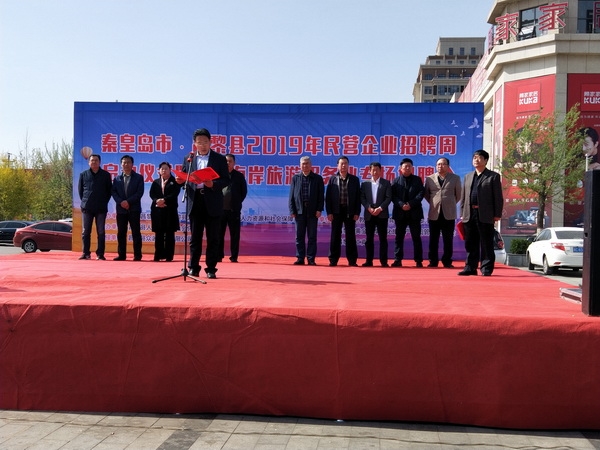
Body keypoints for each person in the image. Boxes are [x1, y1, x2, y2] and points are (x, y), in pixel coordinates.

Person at [176, 128, 229, 279]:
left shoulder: (219, 159)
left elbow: (226, 180)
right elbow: (185, 177)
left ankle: (211, 268)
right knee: (195, 238)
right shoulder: (189, 158)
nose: (203, 145)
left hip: (212, 201)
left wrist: (213, 184)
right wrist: (180, 181)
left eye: (205, 142)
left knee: (213, 237)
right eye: (199, 142)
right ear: (194, 144)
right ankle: (193, 267)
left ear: (210, 142)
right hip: (195, 201)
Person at [458, 149, 503, 276]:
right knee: (470, 243)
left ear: (485, 160)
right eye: (474, 158)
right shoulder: (468, 177)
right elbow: (463, 197)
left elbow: (498, 197)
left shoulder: (493, 176)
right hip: (469, 213)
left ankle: (486, 268)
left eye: (479, 158)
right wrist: (462, 212)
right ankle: (470, 267)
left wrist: (497, 214)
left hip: (485, 214)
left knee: (486, 243)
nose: (476, 160)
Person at [424, 157, 461, 268]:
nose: (440, 166)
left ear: (448, 166)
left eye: (443, 164)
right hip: (434, 213)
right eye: (438, 164)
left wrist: (449, 203)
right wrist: (435, 202)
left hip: (448, 213)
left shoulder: (455, 178)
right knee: (433, 239)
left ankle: (447, 261)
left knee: (448, 239)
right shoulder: (429, 179)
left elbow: (458, 195)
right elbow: (427, 195)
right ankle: (433, 261)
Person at [325, 156, 361, 267]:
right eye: (341, 163)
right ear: (338, 166)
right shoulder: (332, 179)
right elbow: (328, 197)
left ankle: (352, 260)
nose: (343, 165)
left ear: (348, 165)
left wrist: (357, 212)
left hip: (350, 211)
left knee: (350, 236)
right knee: (335, 235)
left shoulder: (354, 179)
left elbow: (358, 197)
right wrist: (329, 212)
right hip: (336, 211)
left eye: (345, 163)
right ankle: (333, 259)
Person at [288, 156, 324, 265]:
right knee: (299, 236)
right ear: (300, 165)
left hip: (312, 211)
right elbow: (291, 196)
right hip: (299, 211)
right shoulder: (296, 178)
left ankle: (311, 259)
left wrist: (319, 209)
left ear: (311, 165)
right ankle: (300, 258)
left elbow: (321, 196)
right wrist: (292, 210)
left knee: (312, 236)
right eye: (303, 163)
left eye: (307, 163)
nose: (305, 165)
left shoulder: (317, 178)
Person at [78, 154, 113, 260]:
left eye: (96, 160)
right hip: (87, 207)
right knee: (86, 231)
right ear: (89, 162)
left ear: (99, 162)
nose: (94, 162)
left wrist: (103, 202)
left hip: (101, 208)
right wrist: (85, 201)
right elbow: (81, 191)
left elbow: (109, 191)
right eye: (92, 160)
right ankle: (86, 253)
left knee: (101, 231)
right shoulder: (83, 174)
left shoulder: (106, 175)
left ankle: (100, 254)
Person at [391, 158, 424, 267]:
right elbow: (393, 196)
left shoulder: (417, 180)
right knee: (399, 237)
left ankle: (418, 260)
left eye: (409, 166)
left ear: (412, 168)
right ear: (400, 168)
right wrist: (401, 204)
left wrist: (410, 204)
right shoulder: (395, 181)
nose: (407, 168)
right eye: (405, 166)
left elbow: (421, 194)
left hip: (414, 213)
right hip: (400, 213)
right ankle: (397, 259)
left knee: (416, 237)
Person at [111, 155, 145, 261]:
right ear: (121, 164)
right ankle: (121, 255)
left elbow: (139, 193)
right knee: (121, 233)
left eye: (128, 162)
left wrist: (128, 201)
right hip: (121, 209)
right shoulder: (117, 179)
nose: (126, 164)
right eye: (124, 162)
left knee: (136, 232)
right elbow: (114, 192)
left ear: (132, 164)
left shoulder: (138, 178)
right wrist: (121, 202)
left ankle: (137, 255)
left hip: (134, 209)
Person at [360, 162, 392, 267]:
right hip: (369, 214)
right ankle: (369, 261)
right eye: (373, 170)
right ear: (370, 171)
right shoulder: (365, 184)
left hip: (382, 214)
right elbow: (362, 198)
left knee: (383, 238)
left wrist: (380, 208)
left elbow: (388, 198)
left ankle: (384, 261)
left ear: (380, 170)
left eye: (377, 169)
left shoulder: (386, 183)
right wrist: (368, 207)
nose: (375, 172)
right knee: (369, 238)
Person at [149, 162, 181, 262]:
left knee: (169, 234)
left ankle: (169, 256)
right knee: (158, 234)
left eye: (166, 168)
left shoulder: (174, 181)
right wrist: (157, 201)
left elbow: (174, 194)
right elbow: (152, 194)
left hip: (170, 211)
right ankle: (158, 255)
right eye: (162, 169)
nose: (164, 170)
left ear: (170, 170)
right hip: (157, 210)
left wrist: (164, 200)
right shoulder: (156, 182)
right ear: (159, 170)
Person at [219, 154, 248, 263]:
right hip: (220, 210)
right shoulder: (219, 175)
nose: (228, 163)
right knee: (219, 234)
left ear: (234, 163)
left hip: (234, 210)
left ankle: (234, 256)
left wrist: (236, 202)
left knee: (235, 235)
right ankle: (219, 255)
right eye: (226, 161)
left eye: (230, 161)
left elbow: (243, 192)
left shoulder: (239, 176)